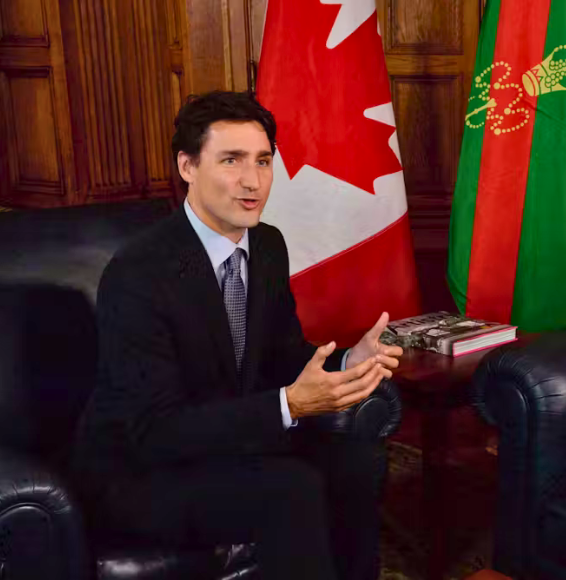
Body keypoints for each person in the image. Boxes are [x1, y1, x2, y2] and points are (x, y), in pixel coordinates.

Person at [72, 91, 403, 580]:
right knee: (289, 490)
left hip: (227, 441)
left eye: (264, 161)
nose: (253, 182)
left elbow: (283, 356)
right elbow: (155, 431)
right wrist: (289, 406)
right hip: (140, 469)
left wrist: (348, 363)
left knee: (355, 464)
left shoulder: (267, 245)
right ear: (187, 166)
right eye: (231, 161)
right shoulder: (138, 273)